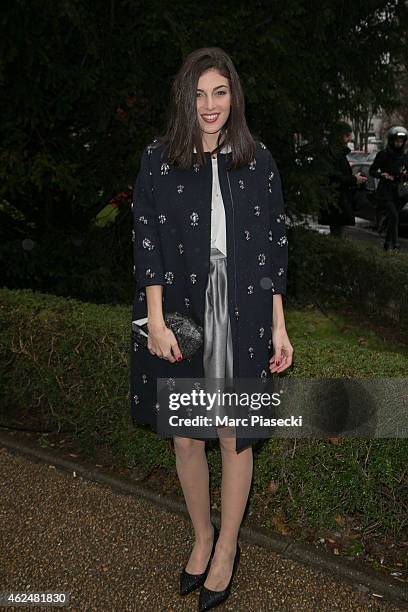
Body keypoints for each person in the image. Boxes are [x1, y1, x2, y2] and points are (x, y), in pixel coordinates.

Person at [130, 47, 293, 610]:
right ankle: (201, 536)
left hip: (244, 309)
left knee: (232, 433)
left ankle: (227, 548)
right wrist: (154, 319)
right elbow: (146, 238)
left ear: (234, 96)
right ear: (185, 98)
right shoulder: (158, 158)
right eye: (199, 93)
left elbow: (274, 248)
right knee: (185, 434)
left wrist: (279, 327)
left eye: (219, 92)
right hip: (181, 307)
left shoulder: (259, 160)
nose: (209, 105)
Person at [318, 122, 368, 237]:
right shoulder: (333, 153)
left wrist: (355, 179)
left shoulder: (337, 153)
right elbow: (334, 177)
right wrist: (354, 179)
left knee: (338, 233)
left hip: (339, 202)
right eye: (347, 135)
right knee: (337, 234)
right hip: (336, 202)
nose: (349, 139)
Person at [369, 126, 408, 251]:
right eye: (396, 141)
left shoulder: (404, 157)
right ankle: (395, 245)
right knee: (395, 217)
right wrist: (382, 175)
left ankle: (387, 243)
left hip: (400, 192)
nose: (399, 143)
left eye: (401, 141)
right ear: (391, 141)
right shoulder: (383, 154)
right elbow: (372, 171)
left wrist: (404, 176)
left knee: (393, 218)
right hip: (386, 190)